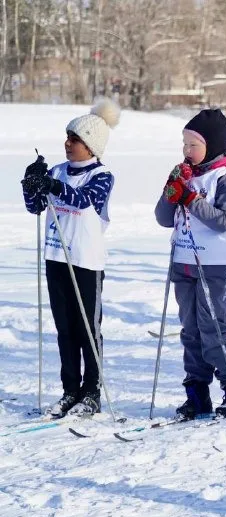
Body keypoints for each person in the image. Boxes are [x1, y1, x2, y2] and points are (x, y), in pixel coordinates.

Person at [21, 99, 121, 417]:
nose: (68, 143)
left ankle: (91, 392)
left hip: (86, 261)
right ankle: (70, 390)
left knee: (86, 329)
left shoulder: (102, 175)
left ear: (91, 146)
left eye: (74, 139)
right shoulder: (58, 170)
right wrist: (32, 180)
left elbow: (82, 201)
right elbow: (35, 206)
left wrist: (52, 184)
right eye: (67, 136)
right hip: (56, 257)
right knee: (64, 329)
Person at [154, 109, 226, 420]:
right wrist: (172, 189)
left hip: (216, 264)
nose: (186, 151)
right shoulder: (188, 175)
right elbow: (163, 218)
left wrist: (190, 199)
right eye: (184, 144)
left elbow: (224, 220)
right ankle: (196, 394)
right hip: (184, 261)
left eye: (193, 144)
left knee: (213, 331)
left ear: (211, 144)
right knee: (191, 332)